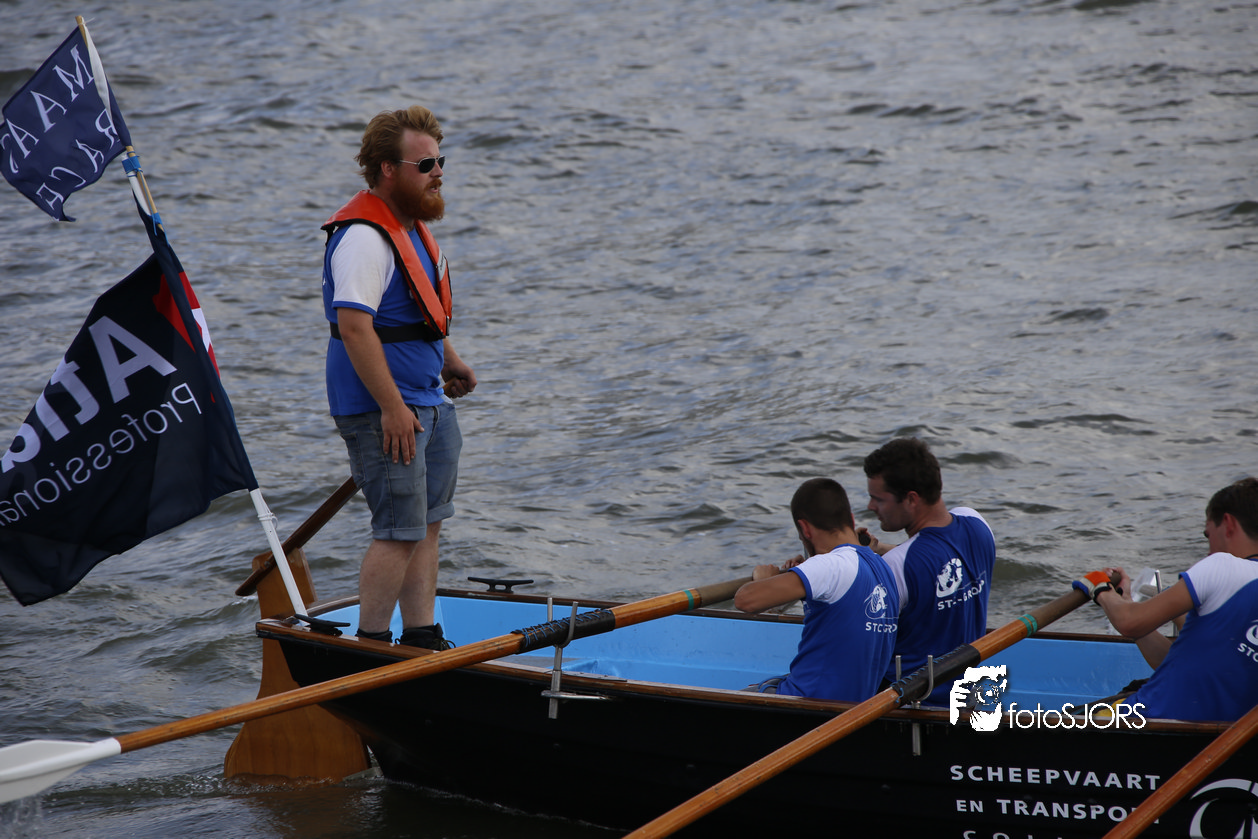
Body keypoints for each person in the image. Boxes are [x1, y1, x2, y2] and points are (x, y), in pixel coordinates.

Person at [322, 106, 476, 650]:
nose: (439, 172)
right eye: (425, 164)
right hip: (384, 409)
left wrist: (449, 359)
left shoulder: (412, 232)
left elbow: (419, 314)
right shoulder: (364, 239)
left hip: (428, 400)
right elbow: (355, 328)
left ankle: (421, 637)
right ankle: (369, 646)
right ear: (388, 169)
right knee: (397, 530)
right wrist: (391, 407)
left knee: (427, 524)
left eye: (440, 161)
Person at [1074, 477, 1258, 722]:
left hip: (1143, 721)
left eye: (1208, 535)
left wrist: (1100, 589)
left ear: (1228, 523)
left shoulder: (1223, 566)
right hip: (1213, 736)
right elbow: (1184, 664)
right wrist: (1126, 601)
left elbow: (1128, 621)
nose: (1209, 550)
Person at [734, 478, 899, 702]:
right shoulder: (882, 567)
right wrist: (800, 576)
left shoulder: (830, 565)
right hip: (857, 703)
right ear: (851, 519)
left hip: (807, 701)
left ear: (804, 529)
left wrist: (765, 579)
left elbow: (745, 600)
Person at [861, 437, 996, 704]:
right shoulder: (976, 523)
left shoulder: (896, 566)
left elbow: (860, 646)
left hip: (912, 702)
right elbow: (933, 554)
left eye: (878, 499)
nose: (870, 507)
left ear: (911, 499)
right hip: (969, 696)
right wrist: (879, 549)